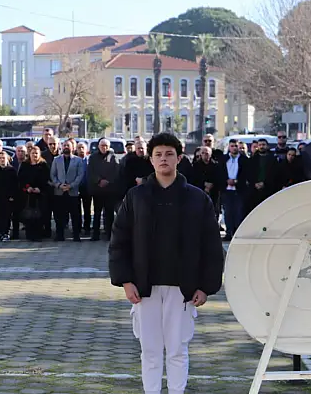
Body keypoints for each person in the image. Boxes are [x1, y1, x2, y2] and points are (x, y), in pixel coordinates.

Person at [109, 132, 224, 394]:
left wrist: (206, 286)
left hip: (182, 287)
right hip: (144, 286)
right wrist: (126, 280)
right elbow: (119, 241)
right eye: (158, 154)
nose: (163, 159)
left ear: (179, 158)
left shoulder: (197, 199)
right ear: (150, 160)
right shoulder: (135, 197)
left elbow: (211, 246)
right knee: (149, 351)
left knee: (176, 350)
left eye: (169, 154)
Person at [50, 140, 84, 242]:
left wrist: (71, 185)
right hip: (59, 192)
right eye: (64, 145)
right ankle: (59, 235)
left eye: (68, 146)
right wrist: (59, 185)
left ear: (72, 147)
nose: (66, 147)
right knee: (59, 215)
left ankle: (76, 235)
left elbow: (80, 175)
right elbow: (53, 175)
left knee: (75, 215)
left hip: (73, 192)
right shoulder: (56, 160)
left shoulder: (78, 160)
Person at [88, 138, 119, 241]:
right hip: (97, 190)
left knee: (109, 213)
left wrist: (108, 181)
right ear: (98, 146)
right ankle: (95, 234)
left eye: (106, 146)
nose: (104, 148)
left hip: (109, 190)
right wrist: (99, 181)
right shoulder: (93, 157)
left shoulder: (114, 157)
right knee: (96, 213)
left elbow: (116, 172)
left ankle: (109, 234)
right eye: (102, 145)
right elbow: (90, 172)